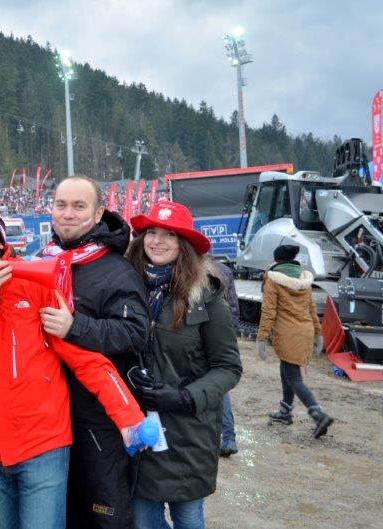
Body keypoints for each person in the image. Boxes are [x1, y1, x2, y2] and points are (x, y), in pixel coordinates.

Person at [0, 191, 145, 529]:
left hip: (44, 447)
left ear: (0, 240)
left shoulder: (34, 282)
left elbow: (84, 358)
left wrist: (128, 416)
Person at [125, 201, 242, 529]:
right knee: (143, 522)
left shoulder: (205, 297)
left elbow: (229, 367)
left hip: (188, 433)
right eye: (151, 232)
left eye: (170, 234)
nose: (157, 241)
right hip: (139, 430)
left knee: (187, 519)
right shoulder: (128, 289)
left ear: (184, 244)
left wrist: (184, 397)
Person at [42, 176, 150, 529]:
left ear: (98, 212)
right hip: (47, 417)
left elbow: (135, 334)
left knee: (105, 517)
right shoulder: (43, 262)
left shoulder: (116, 269)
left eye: (79, 206)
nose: (68, 214)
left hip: (97, 420)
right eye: (61, 205)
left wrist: (76, 327)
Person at [256, 244, 334, 438]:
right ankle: (285, 411)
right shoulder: (303, 278)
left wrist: (261, 338)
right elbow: (311, 308)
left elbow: (269, 310)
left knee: (294, 378)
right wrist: (318, 333)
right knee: (286, 369)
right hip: (305, 331)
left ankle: (319, 415)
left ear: (277, 260)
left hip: (286, 333)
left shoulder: (272, 278)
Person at [215, 261, 240, 458]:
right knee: (220, 388)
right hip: (221, 334)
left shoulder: (186, 266)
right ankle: (229, 438)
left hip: (199, 335)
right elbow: (233, 306)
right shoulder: (224, 270)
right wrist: (231, 334)